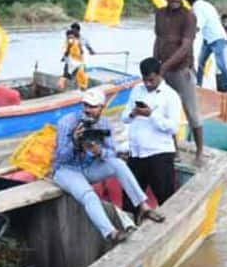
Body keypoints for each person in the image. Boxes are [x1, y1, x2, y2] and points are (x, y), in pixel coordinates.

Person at [52, 88, 164, 244]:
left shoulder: (104, 124)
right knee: (89, 196)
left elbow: (113, 152)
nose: (88, 110)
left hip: (90, 166)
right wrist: (74, 142)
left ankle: (143, 207)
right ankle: (111, 233)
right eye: (85, 106)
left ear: (101, 108)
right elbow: (60, 158)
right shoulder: (67, 122)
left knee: (118, 164)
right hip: (68, 170)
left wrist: (100, 152)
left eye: (92, 107)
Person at [153, 0, 204, 165]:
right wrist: (154, 63)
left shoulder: (189, 16)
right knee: (166, 111)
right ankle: (174, 151)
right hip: (163, 70)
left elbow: (185, 47)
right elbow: (158, 40)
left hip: (182, 71)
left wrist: (163, 67)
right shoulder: (159, 13)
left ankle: (199, 152)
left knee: (192, 112)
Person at [122, 57, 181, 205]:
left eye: (151, 80)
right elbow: (124, 118)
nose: (148, 84)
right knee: (130, 199)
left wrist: (151, 115)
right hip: (136, 152)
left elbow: (173, 127)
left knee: (165, 198)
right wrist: (133, 113)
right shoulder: (137, 90)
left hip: (159, 153)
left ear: (159, 75)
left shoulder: (170, 95)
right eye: (145, 80)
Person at [185, 0, 227, 92]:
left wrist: (188, 38)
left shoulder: (197, 7)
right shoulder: (206, 4)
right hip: (208, 39)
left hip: (217, 38)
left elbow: (198, 25)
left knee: (220, 63)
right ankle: (198, 85)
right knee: (201, 62)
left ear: (188, 1)